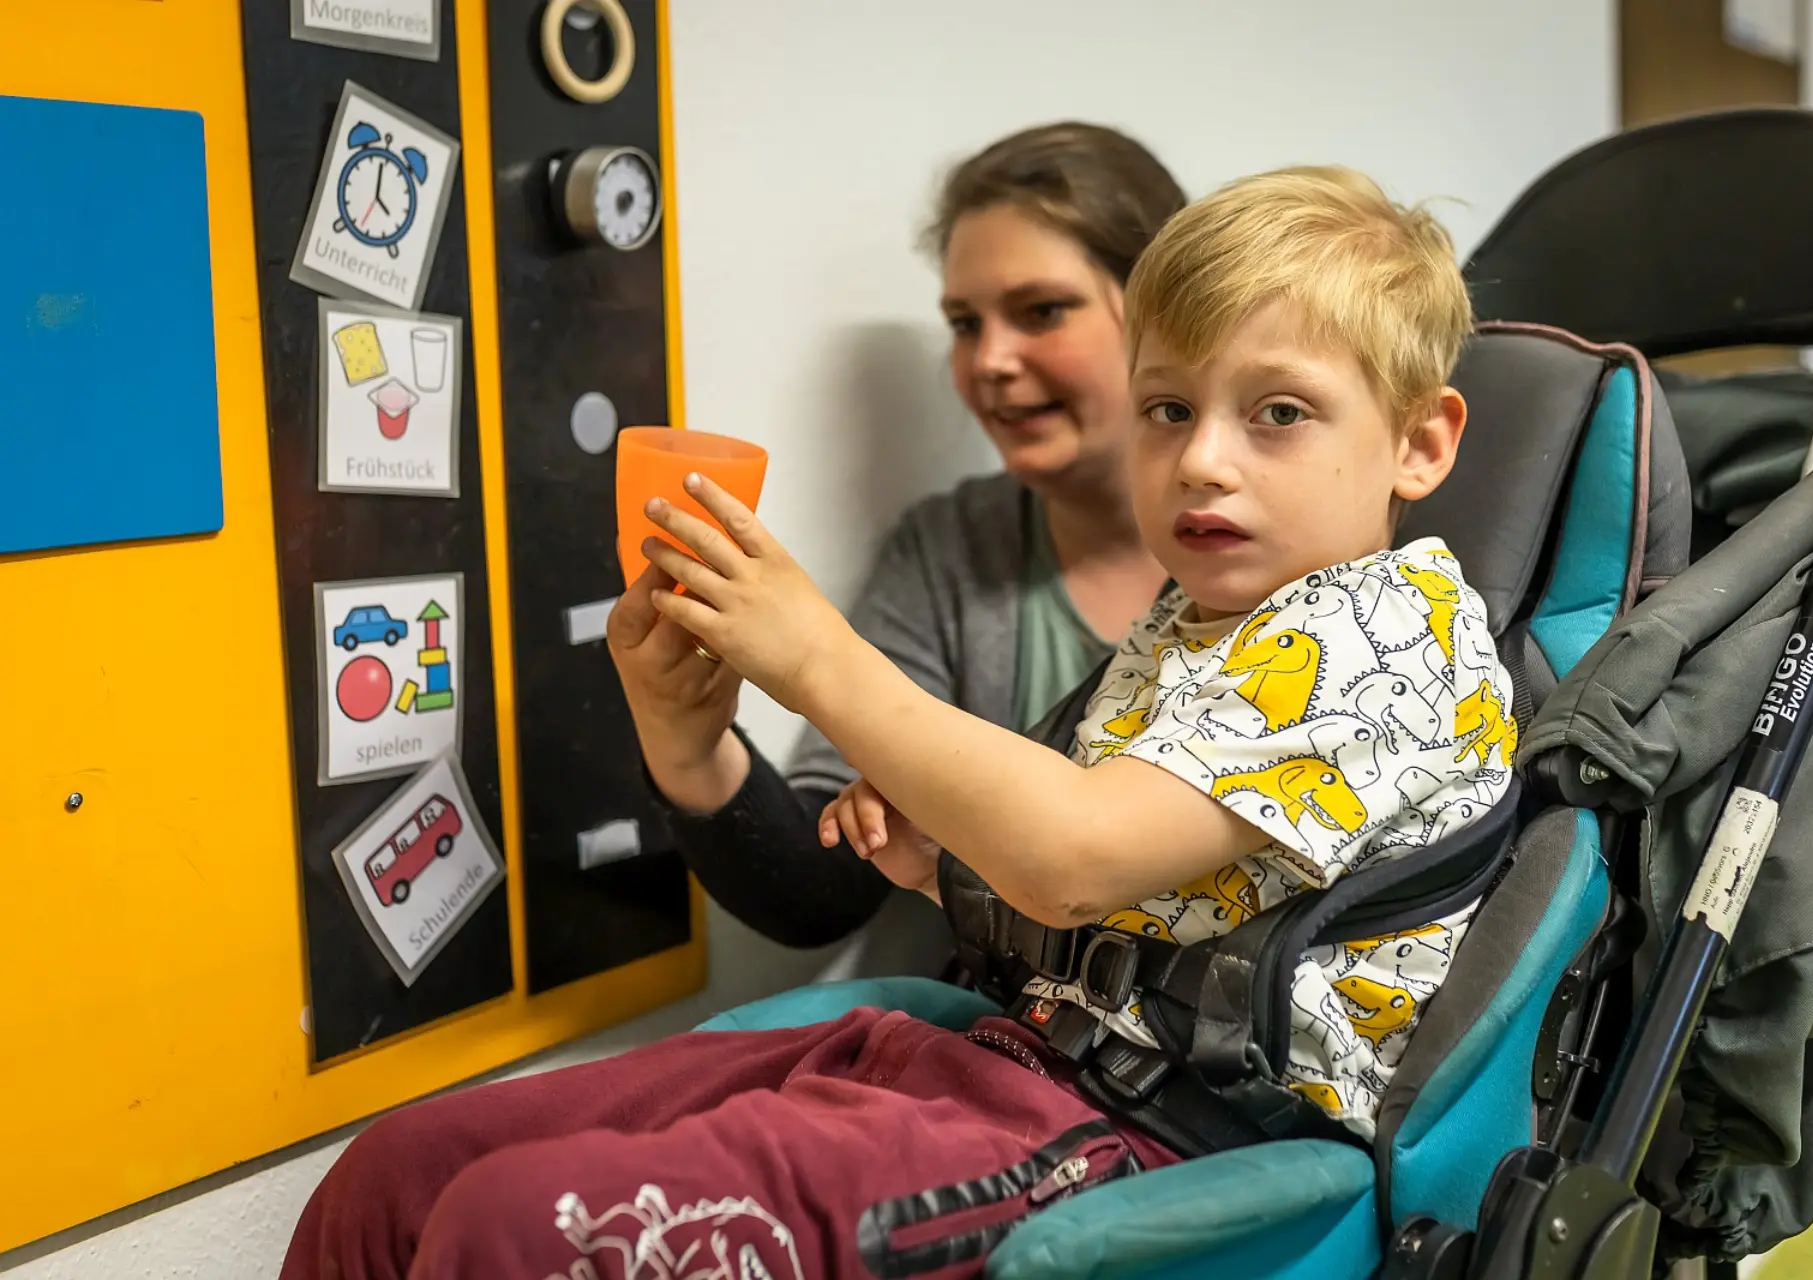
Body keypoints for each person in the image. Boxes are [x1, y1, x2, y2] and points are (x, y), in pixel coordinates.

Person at [283, 164, 1519, 1280]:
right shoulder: (1187, 613)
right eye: (1168, 409)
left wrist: (819, 656)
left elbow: (1080, 854)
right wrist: (912, 841)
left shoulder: (1377, 635)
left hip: (1157, 1129)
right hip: (1017, 1050)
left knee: (518, 1224)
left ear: (1419, 443)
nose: (1202, 461)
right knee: (399, 1170)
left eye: (1277, 413)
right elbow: (1129, 886)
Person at [615, 123, 1184, 949]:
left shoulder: (1287, 560)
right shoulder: (950, 548)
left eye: (1040, 311)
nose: (990, 360)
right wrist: (685, 742)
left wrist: (815, 659)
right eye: (964, 323)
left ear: (1166, 311)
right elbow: (825, 879)